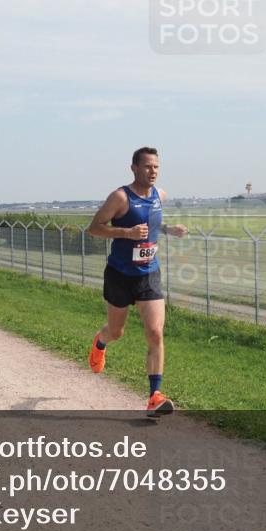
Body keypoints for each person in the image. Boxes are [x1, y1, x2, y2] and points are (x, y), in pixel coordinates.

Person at [86, 147, 188, 417]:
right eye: (147, 167)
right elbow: (94, 228)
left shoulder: (159, 195)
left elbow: (152, 225)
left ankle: (154, 396)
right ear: (134, 168)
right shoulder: (120, 197)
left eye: (156, 167)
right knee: (116, 332)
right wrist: (126, 233)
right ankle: (100, 342)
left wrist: (168, 229)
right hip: (120, 275)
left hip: (148, 274)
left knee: (155, 332)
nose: (152, 171)